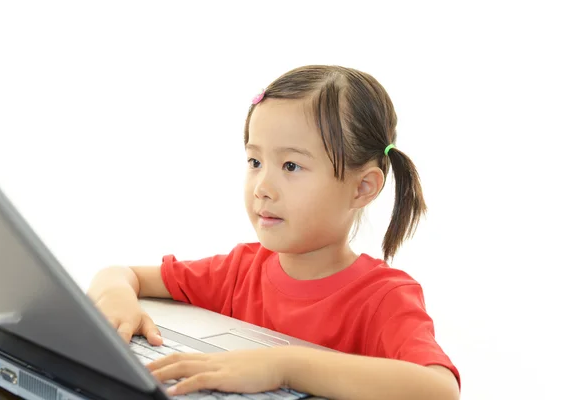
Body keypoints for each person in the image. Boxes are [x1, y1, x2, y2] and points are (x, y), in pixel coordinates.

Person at [87, 65, 460, 400]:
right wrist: (115, 298)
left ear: (362, 188)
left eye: (291, 165)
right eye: (255, 161)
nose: (262, 186)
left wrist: (283, 366)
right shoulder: (240, 271)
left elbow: (439, 390)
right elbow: (123, 274)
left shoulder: (384, 297)